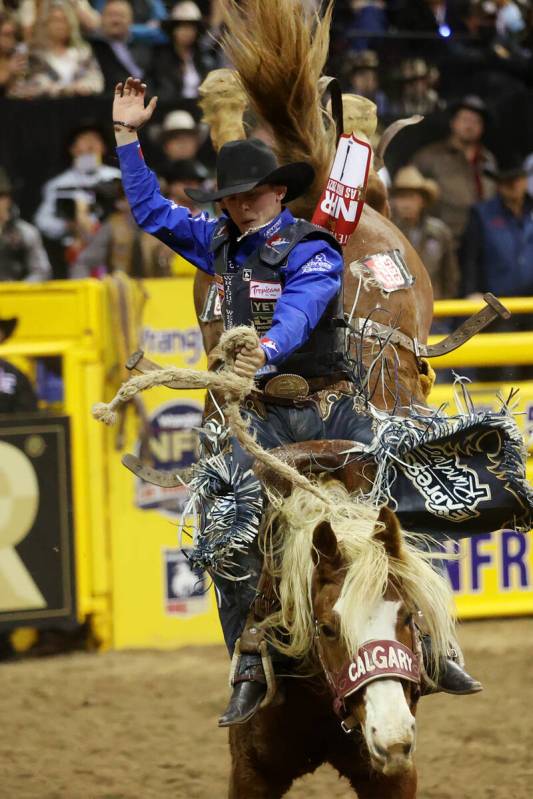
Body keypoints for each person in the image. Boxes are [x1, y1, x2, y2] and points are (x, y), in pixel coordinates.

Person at [113, 77, 481, 725]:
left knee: (402, 514)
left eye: (250, 195)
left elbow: (303, 305)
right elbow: (150, 213)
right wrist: (126, 137)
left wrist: (265, 348)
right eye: (230, 198)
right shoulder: (218, 241)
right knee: (228, 538)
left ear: (277, 193)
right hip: (261, 416)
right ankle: (248, 662)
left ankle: (433, 640)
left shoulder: (311, 245)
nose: (240, 207)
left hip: (329, 405)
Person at [460, 158, 533, 380]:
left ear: (524, 181)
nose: (513, 185)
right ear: (499, 185)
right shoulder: (482, 214)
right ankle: (497, 414)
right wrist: (471, 292)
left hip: (530, 304)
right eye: (507, 181)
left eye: (517, 179)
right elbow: (469, 258)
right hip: (497, 306)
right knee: (500, 370)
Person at [34, 122, 121, 275]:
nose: (90, 144)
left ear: (103, 147)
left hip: (115, 249)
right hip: (75, 250)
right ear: (72, 149)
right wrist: (67, 226)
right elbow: (42, 220)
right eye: (84, 139)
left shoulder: (117, 178)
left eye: (95, 139)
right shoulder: (58, 184)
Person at [412, 95, 497, 249]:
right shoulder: (430, 157)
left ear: (482, 127)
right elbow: (409, 193)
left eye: (476, 121)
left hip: (484, 243)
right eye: (465, 119)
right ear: (453, 123)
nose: (470, 125)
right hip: (445, 242)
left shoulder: (488, 160)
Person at [390, 166, 459, 300]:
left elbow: (450, 275)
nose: (406, 204)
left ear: (422, 200)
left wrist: (445, 304)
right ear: (394, 201)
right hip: (399, 306)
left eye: (411, 197)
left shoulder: (440, 232)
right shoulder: (387, 233)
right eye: (401, 197)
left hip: (435, 305)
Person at [10, 0, 104, 98]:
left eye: (64, 20)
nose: (59, 26)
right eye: (55, 20)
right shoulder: (35, 55)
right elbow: (32, 83)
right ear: (46, 24)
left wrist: (83, 87)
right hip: (45, 108)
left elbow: (96, 81)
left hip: (81, 107)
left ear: (71, 24)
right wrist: (63, 90)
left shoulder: (84, 53)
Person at [148, 1, 216, 103]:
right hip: (169, 110)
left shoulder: (202, 57)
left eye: (191, 28)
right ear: (173, 30)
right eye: (182, 26)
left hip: (200, 109)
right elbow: (153, 89)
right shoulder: (160, 57)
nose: (187, 32)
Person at [89, 0, 152, 93]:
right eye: (110, 15)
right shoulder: (93, 48)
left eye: (121, 16)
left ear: (131, 20)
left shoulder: (146, 47)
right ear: (101, 18)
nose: (116, 20)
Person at [0, 168, 51, 282]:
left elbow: (41, 271)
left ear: (7, 200)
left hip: (15, 295)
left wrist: (19, 290)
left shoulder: (26, 232)